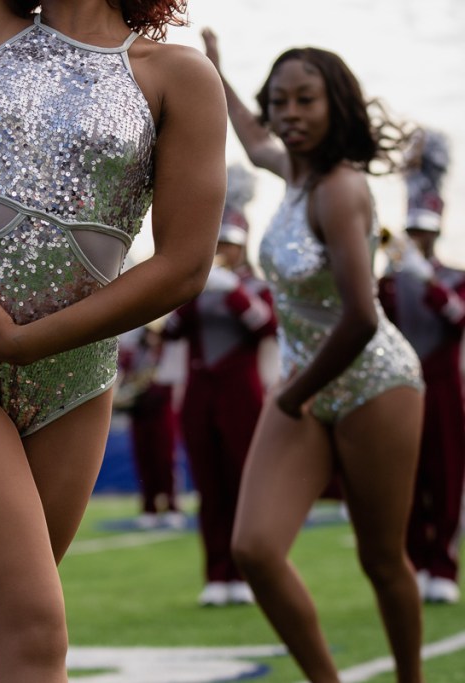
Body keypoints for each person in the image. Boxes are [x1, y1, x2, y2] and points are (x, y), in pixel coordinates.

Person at [0, 0, 227, 679]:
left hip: (74, 385)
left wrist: (22, 343)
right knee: (35, 633)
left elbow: (184, 264)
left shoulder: (178, 76)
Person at [203, 29, 426, 683]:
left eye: (306, 100)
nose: (289, 114)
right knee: (255, 548)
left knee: (382, 559)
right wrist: (217, 71)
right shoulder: (289, 170)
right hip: (306, 382)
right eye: (280, 101)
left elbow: (360, 317)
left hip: (375, 382)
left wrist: (293, 395)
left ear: (337, 107)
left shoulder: (339, 189)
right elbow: (251, 137)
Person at [163, 164, 277, 607]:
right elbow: (170, 331)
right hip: (200, 392)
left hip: (241, 391)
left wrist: (232, 291)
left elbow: (265, 326)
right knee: (210, 487)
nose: (224, 250)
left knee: (242, 483)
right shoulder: (196, 284)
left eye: (230, 242)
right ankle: (216, 573)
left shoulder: (257, 287)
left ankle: (245, 572)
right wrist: (192, 291)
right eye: (219, 242)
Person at [379, 128, 465, 605]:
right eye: (414, 232)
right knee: (405, 477)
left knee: (447, 474)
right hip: (403, 385)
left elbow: (458, 319)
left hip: (446, 383)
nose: (419, 239)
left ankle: (443, 566)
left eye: (426, 232)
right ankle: (413, 560)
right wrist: (393, 270)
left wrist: (427, 278)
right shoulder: (392, 277)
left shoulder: (453, 277)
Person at [114, 323, 184, 530]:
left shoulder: (166, 352)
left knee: (165, 459)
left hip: (162, 411)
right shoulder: (134, 353)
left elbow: (170, 378)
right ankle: (149, 508)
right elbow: (125, 376)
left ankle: (172, 507)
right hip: (139, 412)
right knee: (144, 459)